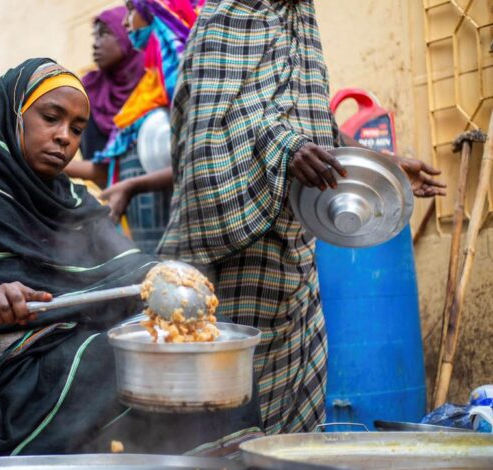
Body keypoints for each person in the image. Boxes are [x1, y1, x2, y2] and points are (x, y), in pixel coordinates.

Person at [0, 58, 260, 468]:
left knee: (189, 350)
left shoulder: (73, 202)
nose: (64, 137)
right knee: (105, 359)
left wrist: (173, 281)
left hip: (51, 349)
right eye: (51, 118)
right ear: (14, 115)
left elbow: (133, 268)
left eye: (77, 129)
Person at [160, 0, 447, 435]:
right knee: (227, 419)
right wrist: (285, 149)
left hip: (296, 260)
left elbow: (311, 123)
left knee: (297, 422)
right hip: (239, 261)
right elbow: (209, 133)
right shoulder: (227, 16)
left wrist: (380, 165)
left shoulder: (300, 19)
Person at [67, 0, 201, 254]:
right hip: (136, 226)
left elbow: (194, 156)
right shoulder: (141, 95)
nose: (95, 43)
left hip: (177, 227)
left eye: (105, 33)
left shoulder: (173, 79)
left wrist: (132, 186)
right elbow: (114, 167)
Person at [79, 6, 145, 163]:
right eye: (95, 36)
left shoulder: (157, 82)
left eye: (104, 33)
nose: (95, 44)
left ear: (126, 33)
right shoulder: (88, 91)